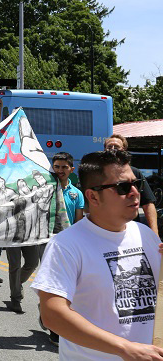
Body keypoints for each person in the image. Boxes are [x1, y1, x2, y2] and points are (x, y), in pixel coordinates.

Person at [32, 150, 163, 358]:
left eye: (136, 183)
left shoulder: (146, 235)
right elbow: (52, 314)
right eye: (122, 187)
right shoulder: (66, 245)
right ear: (93, 196)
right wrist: (125, 348)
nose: (135, 192)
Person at [104, 134, 159, 236]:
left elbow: (148, 204)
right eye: (109, 147)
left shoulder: (135, 173)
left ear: (123, 150)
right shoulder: (98, 174)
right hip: (105, 231)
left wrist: (154, 234)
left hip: (130, 232)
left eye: (116, 147)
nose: (112, 149)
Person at [53, 152, 84, 224]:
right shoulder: (45, 190)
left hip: (68, 234)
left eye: (64, 167)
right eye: (57, 167)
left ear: (72, 170)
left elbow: (78, 222)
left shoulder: (77, 194)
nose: (60, 171)